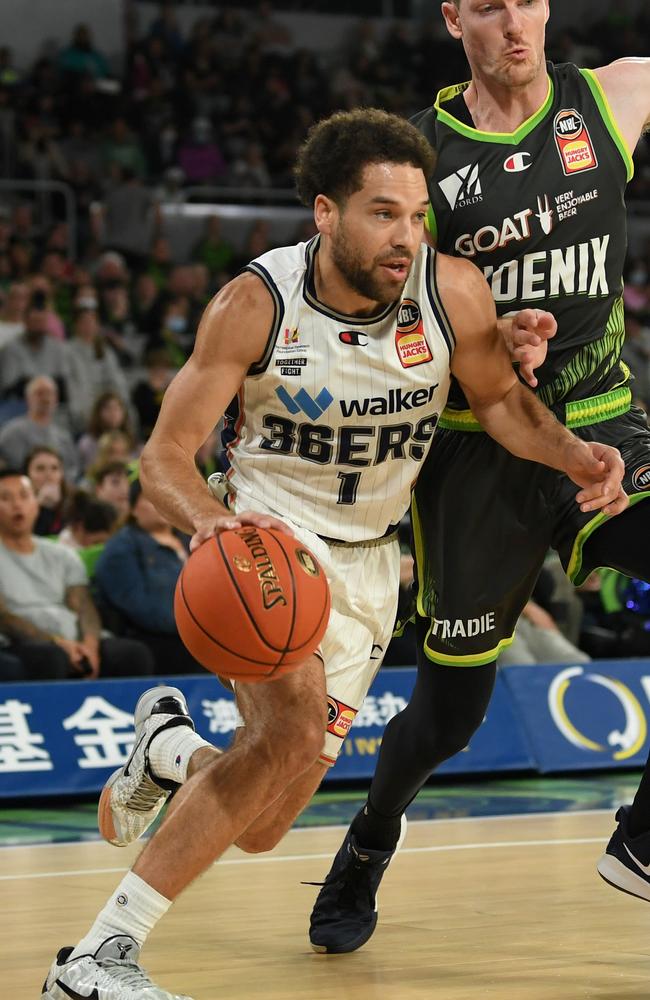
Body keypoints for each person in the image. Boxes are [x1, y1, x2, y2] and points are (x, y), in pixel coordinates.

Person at [41, 108, 626, 1000]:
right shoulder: (255, 303)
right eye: (382, 214)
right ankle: (96, 959)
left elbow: (505, 404)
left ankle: (168, 750)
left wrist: (579, 456)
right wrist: (210, 521)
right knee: (281, 738)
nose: (405, 236)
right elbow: (162, 454)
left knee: (264, 824)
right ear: (325, 213)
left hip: (367, 567)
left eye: (417, 214)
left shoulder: (452, 290)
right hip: (270, 550)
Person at [308, 0, 650, 957]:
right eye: (491, 5)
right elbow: (378, 318)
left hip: (603, 427)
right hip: (474, 449)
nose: (517, 23)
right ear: (454, 16)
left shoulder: (613, 98)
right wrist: (487, 340)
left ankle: (646, 841)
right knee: (448, 717)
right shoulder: (415, 164)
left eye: (530, 1)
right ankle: (372, 836)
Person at [0, 469, 154, 683]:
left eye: (24, 496)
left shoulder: (62, 555)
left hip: (76, 638)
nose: (17, 505)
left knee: (133, 654)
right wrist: (57, 643)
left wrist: (90, 645)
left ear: (36, 504)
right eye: (5, 498)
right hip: (22, 642)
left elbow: (83, 605)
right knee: (51, 659)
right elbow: (4, 618)